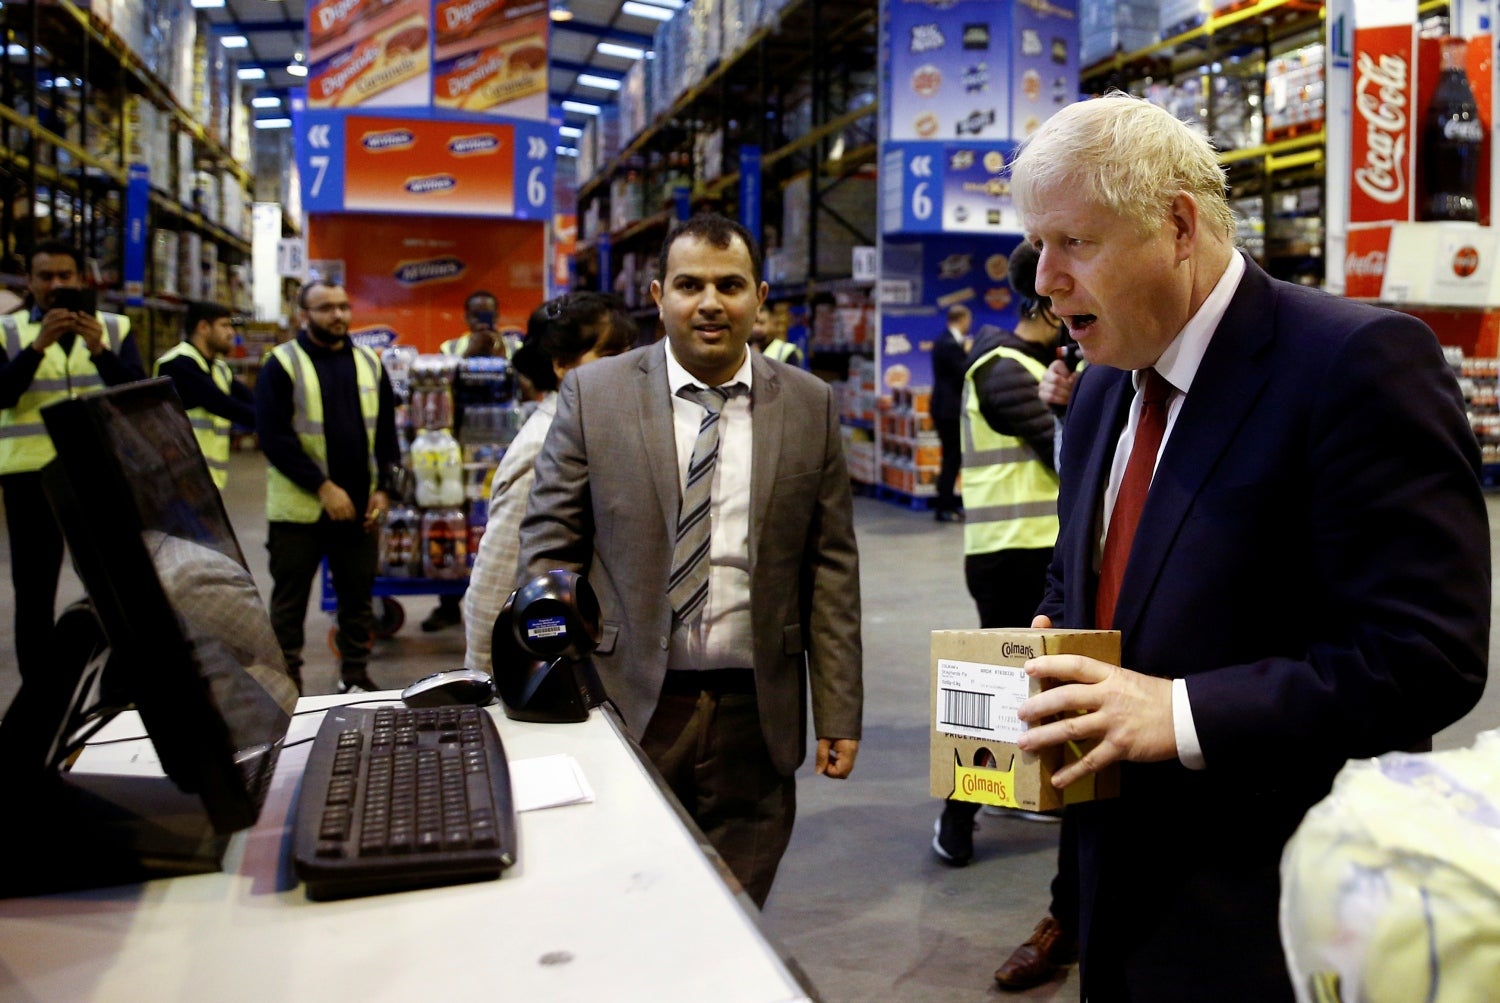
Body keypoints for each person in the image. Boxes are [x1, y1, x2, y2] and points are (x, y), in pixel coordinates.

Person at [1008, 92, 1489, 1001]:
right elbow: (1085, 574)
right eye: (1039, 244)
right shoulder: (1108, 386)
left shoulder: (1355, 364)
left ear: (1178, 226)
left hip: (1268, 906)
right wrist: (1056, 632)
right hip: (1117, 885)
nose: (1046, 278)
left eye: (1075, 242)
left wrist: (1182, 711)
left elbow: (1426, 657)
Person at [517, 213, 863, 907]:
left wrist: (838, 708)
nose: (710, 303)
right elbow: (549, 542)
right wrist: (554, 676)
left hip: (756, 713)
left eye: (729, 285)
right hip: (630, 701)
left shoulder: (809, 404)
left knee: (738, 905)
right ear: (658, 296)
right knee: (626, 901)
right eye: (689, 285)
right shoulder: (596, 395)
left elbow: (830, 569)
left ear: (759, 297)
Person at [931, 242, 1070, 859]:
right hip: (1012, 551)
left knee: (1029, 683)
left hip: (1032, 548)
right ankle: (956, 816)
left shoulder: (1029, 363)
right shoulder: (1004, 370)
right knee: (997, 687)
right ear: (1045, 305)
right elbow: (1065, 457)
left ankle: (1014, 790)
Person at [462, 291, 634, 671]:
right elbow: (495, 584)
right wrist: (486, 678)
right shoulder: (547, 444)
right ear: (561, 365)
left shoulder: (594, 428)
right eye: (609, 356)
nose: (627, 369)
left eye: (629, 354)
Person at [0, 240, 145, 682]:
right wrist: (37, 347)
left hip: (99, 474)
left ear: (81, 280)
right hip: (30, 480)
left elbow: (136, 395)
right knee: (34, 592)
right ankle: (40, 694)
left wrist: (100, 351)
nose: (55, 285)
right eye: (45, 277)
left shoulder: (114, 329)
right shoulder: (6, 332)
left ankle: (116, 689)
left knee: (116, 587)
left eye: (65, 276)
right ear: (29, 282)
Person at [255, 280, 400, 695]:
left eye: (343, 306)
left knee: (357, 598)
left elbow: (386, 434)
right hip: (300, 510)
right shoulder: (281, 364)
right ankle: (288, 686)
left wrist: (385, 489)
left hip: (359, 507)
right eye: (326, 308)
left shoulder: (369, 363)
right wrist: (323, 487)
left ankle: (354, 675)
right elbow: (274, 438)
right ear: (304, 316)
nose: (338, 315)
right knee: (289, 603)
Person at [154, 301, 255, 491]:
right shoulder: (177, 364)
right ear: (203, 328)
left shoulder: (219, 368)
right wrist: (272, 422)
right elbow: (221, 404)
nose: (231, 333)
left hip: (205, 477)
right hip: (179, 474)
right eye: (224, 325)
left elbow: (249, 399)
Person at [930, 303, 970, 522]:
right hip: (949, 410)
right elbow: (962, 372)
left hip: (943, 408)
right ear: (963, 319)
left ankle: (947, 502)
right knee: (952, 458)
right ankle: (945, 506)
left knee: (950, 457)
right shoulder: (950, 344)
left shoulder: (943, 340)